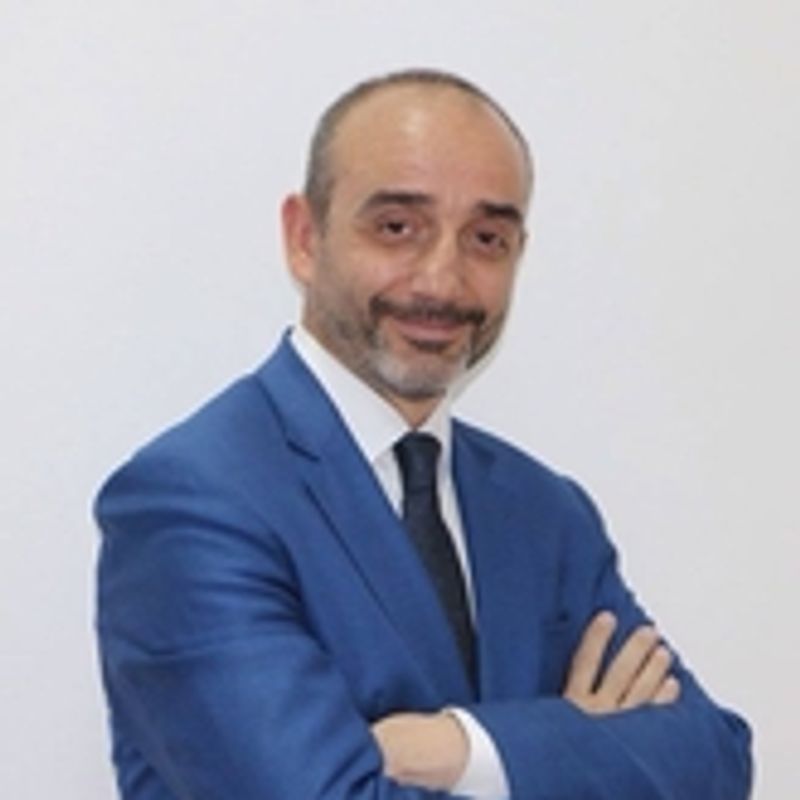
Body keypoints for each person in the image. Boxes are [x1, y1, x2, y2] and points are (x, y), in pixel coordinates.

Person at [95, 69, 752, 799]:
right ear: (305, 239)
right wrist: (576, 743)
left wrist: (459, 749)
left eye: (486, 238)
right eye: (397, 228)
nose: (442, 280)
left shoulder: (546, 512)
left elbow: (716, 764)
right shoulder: (193, 502)